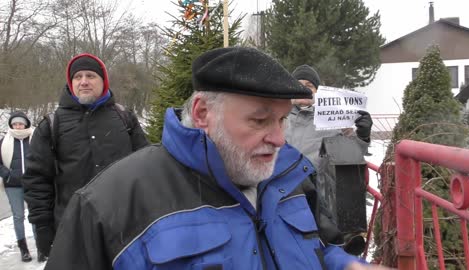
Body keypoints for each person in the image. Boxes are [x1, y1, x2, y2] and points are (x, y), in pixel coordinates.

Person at [44, 47, 390, 270]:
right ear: (203, 112)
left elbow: (320, 248)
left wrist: (344, 264)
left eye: (282, 120)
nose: (280, 138)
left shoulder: (291, 177)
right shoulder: (109, 204)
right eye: (260, 119)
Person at [22, 53, 150, 260]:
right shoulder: (51, 124)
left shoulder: (125, 118)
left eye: (90, 76)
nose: (83, 82)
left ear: (103, 81)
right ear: (70, 82)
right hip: (73, 229)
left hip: (124, 227)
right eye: (77, 77)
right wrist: (42, 227)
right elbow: (37, 179)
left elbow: (145, 168)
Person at [285, 64, 373, 255]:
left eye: (309, 85)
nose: (303, 89)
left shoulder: (332, 119)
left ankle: (349, 235)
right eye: (298, 84)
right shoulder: (279, 117)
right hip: (287, 192)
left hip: (322, 196)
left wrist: (363, 134)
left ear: (317, 91)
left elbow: (351, 153)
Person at [0, 111, 45, 262]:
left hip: (33, 183)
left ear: (26, 124)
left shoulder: (36, 139)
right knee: (18, 216)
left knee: (35, 215)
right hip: (12, 185)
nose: (18, 127)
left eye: (21, 124)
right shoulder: (4, 141)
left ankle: (40, 248)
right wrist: (7, 174)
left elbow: (44, 157)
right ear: (11, 125)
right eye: (15, 124)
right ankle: (23, 249)